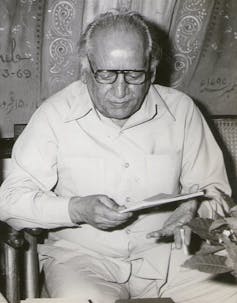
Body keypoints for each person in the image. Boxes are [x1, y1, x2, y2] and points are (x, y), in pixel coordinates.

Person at [0, 9, 236, 303]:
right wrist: (76, 209)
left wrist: (195, 206)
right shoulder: (54, 116)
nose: (121, 90)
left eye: (134, 74)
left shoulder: (183, 110)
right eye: (107, 74)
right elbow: (9, 201)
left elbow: (218, 193)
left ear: (151, 69)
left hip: (174, 255)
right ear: (86, 70)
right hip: (83, 262)